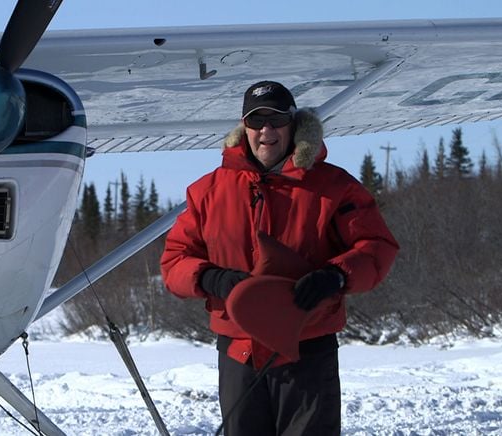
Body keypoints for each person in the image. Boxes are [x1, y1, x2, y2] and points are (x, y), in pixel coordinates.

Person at [160, 81, 399, 435]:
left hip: (308, 350)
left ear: (294, 124)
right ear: (244, 128)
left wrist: (335, 276)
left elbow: (376, 247)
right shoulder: (207, 192)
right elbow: (174, 261)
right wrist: (213, 279)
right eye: (257, 122)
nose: (266, 131)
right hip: (239, 353)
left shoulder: (334, 186)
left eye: (276, 120)